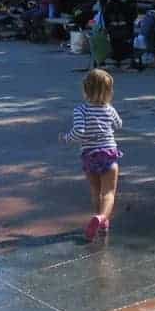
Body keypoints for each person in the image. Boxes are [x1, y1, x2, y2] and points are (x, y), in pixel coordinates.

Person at [60, 69, 123, 239]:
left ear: (85, 90)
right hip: (108, 154)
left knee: (96, 192)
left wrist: (66, 138)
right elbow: (119, 124)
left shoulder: (80, 110)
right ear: (109, 92)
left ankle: (100, 221)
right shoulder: (109, 109)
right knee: (109, 193)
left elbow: (79, 132)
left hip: (89, 156)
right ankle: (102, 218)